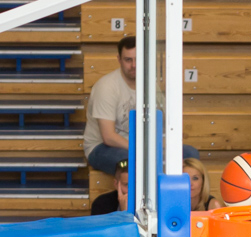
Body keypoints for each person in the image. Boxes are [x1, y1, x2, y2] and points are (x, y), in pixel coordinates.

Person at [83, 35, 198, 176]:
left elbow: (161, 122)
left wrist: (164, 145)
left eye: (138, 59)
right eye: (128, 60)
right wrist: (142, 149)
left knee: (190, 154)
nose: (134, 65)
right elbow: (108, 136)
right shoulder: (106, 87)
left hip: (141, 145)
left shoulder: (150, 84)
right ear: (119, 59)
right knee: (134, 164)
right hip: (102, 148)